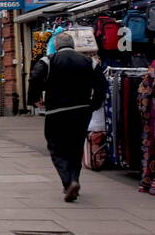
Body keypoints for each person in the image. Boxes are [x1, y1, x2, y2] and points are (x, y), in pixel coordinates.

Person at [27, 32, 107, 202]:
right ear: (74, 45)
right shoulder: (89, 62)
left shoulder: (48, 61)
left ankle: (68, 182)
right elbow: (102, 85)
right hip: (81, 110)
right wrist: (93, 105)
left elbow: (35, 78)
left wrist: (35, 99)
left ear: (56, 46)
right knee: (75, 148)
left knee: (56, 147)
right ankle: (74, 180)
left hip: (57, 111)